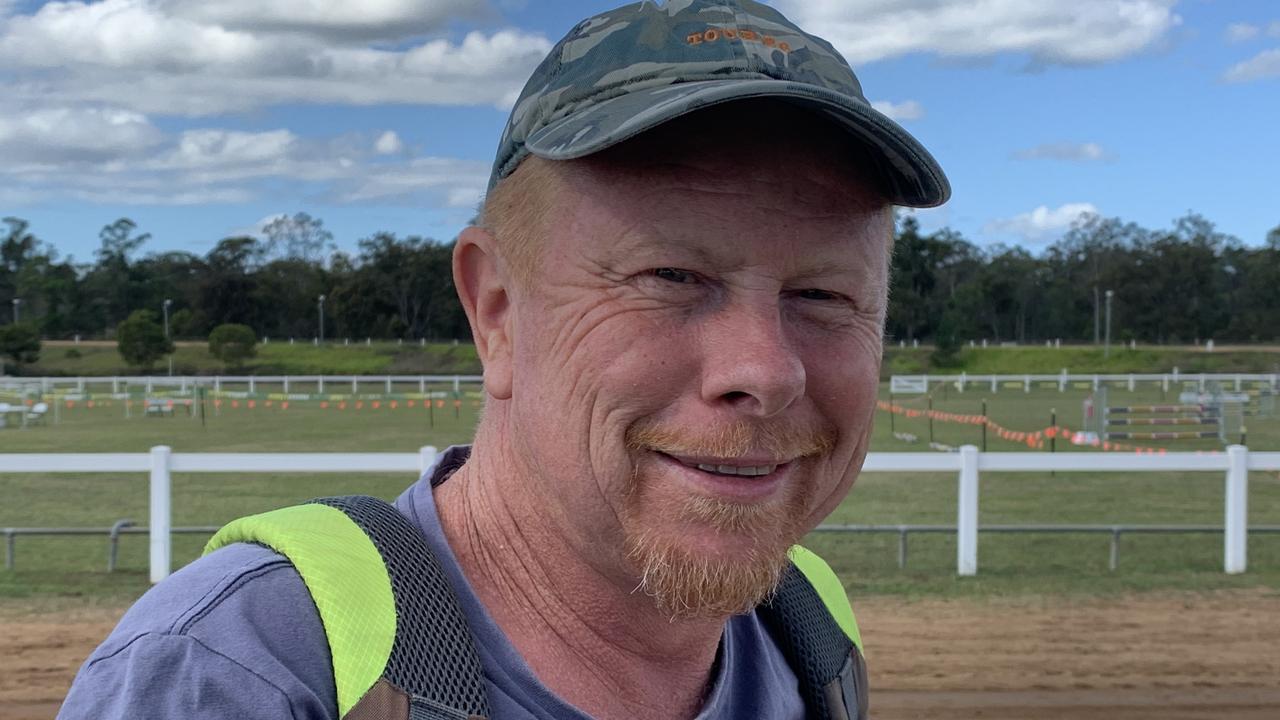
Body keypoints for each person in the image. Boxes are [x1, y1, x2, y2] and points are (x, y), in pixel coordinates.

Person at [59, 1, 948, 718]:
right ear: (496, 314)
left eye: (825, 296)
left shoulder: (809, 633)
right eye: (672, 276)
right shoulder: (241, 670)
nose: (766, 369)